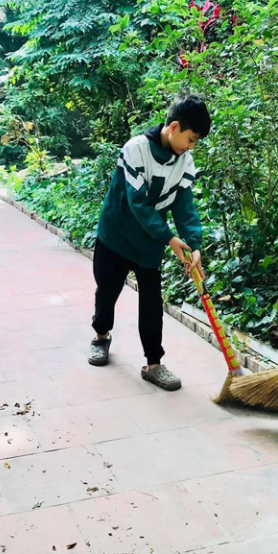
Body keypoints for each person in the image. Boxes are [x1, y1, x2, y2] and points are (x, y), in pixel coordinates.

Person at [87, 94, 211, 391]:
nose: (191, 147)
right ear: (174, 127)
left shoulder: (185, 161)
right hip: (116, 235)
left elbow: (184, 205)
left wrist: (193, 244)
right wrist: (169, 237)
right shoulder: (136, 149)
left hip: (149, 244)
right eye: (191, 139)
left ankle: (154, 363)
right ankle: (100, 336)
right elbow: (138, 204)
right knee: (107, 291)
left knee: (152, 302)